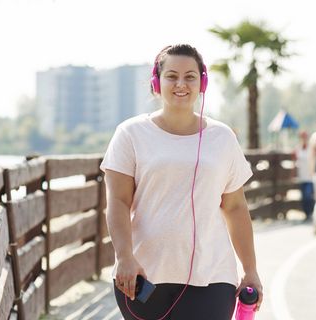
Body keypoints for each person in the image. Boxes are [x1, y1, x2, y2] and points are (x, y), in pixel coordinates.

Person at [100, 44, 263, 320]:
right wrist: (124, 256)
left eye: (190, 77)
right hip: (144, 276)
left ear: (202, 83)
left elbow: (235, 207)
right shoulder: (130, 134)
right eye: (171, 76)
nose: (181, 84)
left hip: (213, 276)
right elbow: (117, 201)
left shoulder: (222, 137)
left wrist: (250, 269)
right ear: (156, 82)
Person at [293, 130, 315, 221]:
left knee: (308, 195)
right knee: (304, 196)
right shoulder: (298, 148)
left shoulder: (311, 148)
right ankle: (306, 213)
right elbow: (295, 160)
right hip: (302, 176)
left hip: (310, 176)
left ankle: (310, 212)